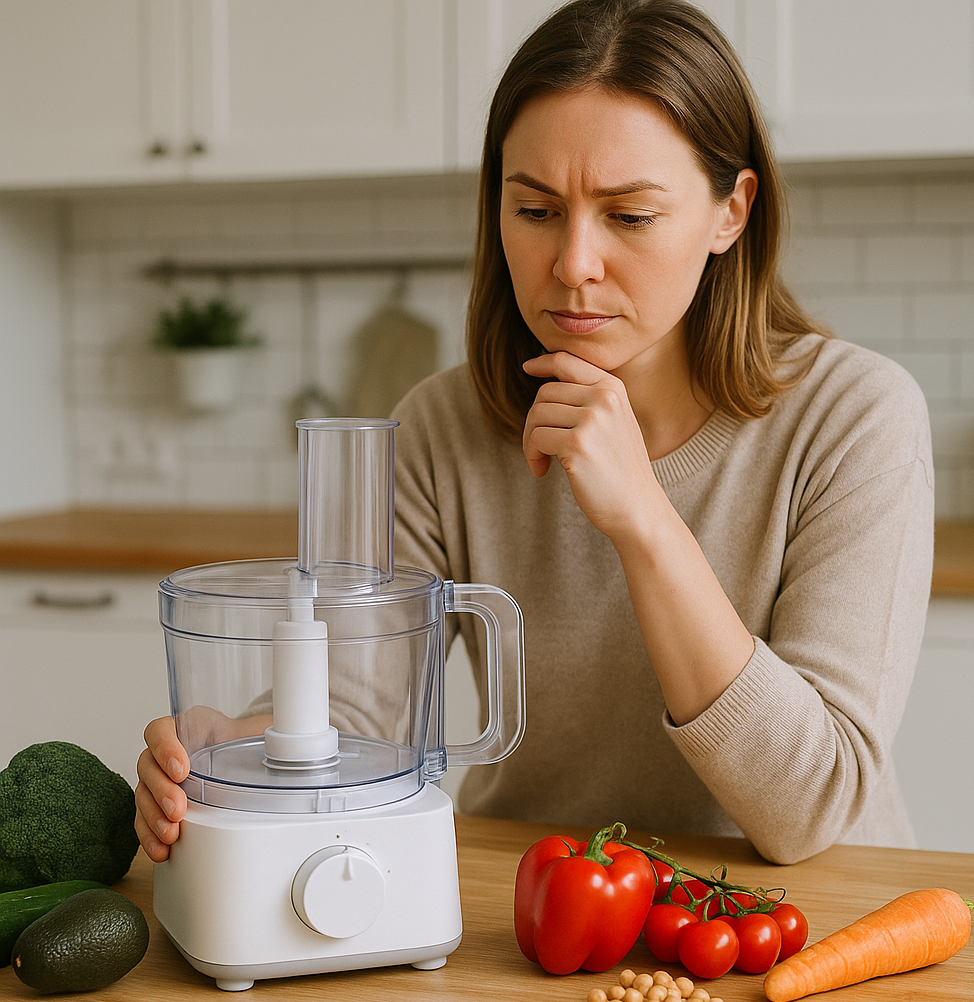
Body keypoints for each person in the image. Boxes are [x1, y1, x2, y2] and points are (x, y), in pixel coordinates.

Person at [135, 0, 933, 866]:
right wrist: (238, 741)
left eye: (629, 216)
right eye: (536, 210)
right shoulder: (441, 428)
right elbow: (357, 714)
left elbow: (812, 805)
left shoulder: (855, 416)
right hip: (533, 903)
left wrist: (644, 520)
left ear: (730, 212)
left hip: (792, 922)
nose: (573, 264)